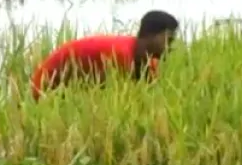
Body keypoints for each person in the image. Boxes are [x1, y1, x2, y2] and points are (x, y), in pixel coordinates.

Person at [30, 10, 179, 100]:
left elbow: (149, 96)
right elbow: (113, 100)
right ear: (150, 36)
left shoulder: (149, 63)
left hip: (71, 90)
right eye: (168, 39)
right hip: (45, 90)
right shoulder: (119, 55)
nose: (171, 45)